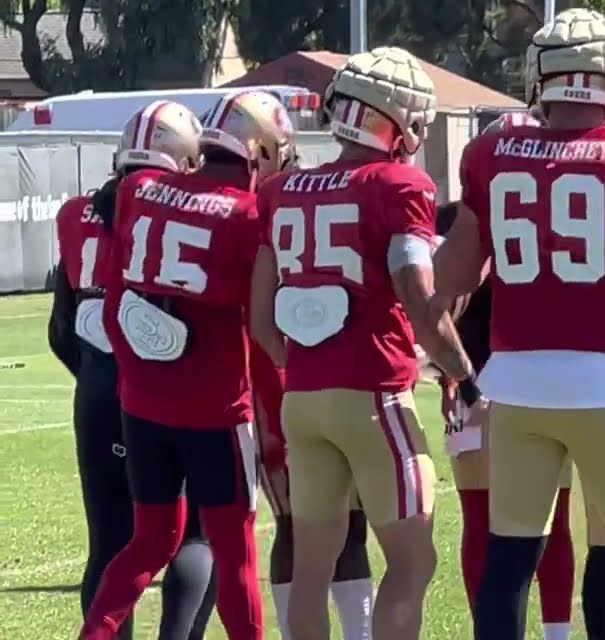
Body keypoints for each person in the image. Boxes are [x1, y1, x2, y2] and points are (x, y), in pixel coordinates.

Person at [422, 7, 605, 640]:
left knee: (510, 556)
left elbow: (447, 278)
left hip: (514, 386)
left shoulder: (489, 153)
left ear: (541, 79)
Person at [250, 47, 472, 640]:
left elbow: (262, 319)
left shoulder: (283, 191)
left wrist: (302, 367)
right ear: (395, 120)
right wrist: (461, 372)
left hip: (302, 397)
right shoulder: (399, 183)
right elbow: (417, 293)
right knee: (413, 559)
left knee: (311, 567)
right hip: (374, 396)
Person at [80, 91, 297, 640]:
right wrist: (276, 429)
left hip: (144, 405)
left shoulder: (139, 189)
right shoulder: (251, 217)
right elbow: (261, 329)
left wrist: (136, 375)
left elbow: (116, 303)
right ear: (257, 150)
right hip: (216, 412)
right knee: (235, 554)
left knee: (149, 542)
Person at [52, 101, 217, 640]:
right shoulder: (197, 212)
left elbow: (62, 329)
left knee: (110, 542)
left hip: (100, 391)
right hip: (176, 392)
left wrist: (101, 376)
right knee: (194, 536)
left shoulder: (76, 214)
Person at [436, 118, 577, 640]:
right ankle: (555, 634)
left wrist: (454, 375)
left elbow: (439, 306)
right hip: (538, 381)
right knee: (549, 521)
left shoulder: (454, 217)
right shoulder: (556, 212)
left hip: (476, 382)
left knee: (484, 520)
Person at [240, 98, 375, 640]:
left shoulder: (263, 201)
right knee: (325, 522)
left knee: (309, 523)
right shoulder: (287, 196)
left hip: (277, 377)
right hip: (310, 372)